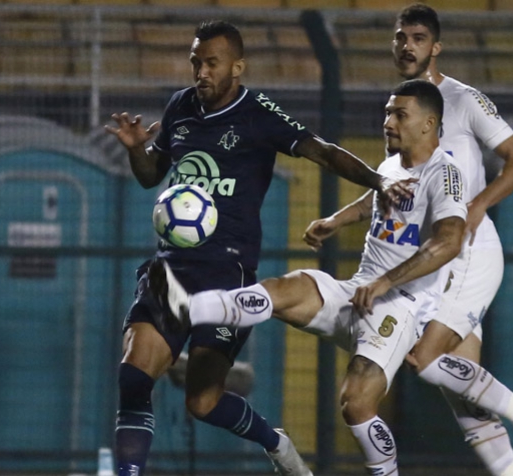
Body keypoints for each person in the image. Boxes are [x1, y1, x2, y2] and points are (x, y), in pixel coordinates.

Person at [104, 20, 411, 476]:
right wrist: (135, 150)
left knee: (203, 403)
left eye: (211, 63)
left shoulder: (259, 114)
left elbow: (323, 152)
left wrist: (379, 179)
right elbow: (152, 175)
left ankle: (275, 442)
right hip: (169, 271)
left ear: (237, 67)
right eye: (195, 62)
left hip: (226, 276)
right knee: (133, 378)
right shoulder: (180, 108)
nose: (200, 72)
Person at [151, 79, 468, 476]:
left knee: (356, 404)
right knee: (287, 288)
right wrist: (336, 220)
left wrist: (386, 282)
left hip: (402, 305)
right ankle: (192, 308)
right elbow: (382, 197)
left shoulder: (447, 174)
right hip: (359, 290)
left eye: (399, 114)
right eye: (387, 112)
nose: (387, 122)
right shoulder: (393, 165)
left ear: (429, 123)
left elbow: (449, 242)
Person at [305, 5, 513, 476]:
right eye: (400, 37)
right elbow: (393, 183)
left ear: (435, 47)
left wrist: (475, 208)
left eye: (417, 38)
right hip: (431, 263)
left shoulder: (463, 100)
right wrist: (339, 219)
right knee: (462, 392)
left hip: (465, 253)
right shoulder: (404, 106)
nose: (407, 45)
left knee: (427, 359)